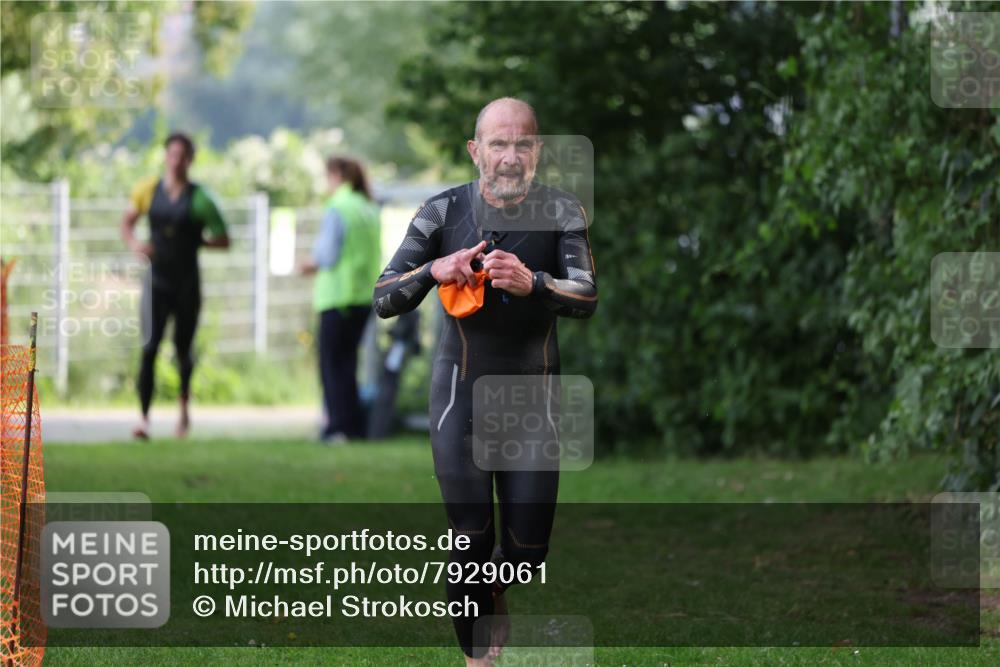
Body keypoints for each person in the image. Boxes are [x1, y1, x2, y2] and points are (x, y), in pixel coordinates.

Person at [372, 98, 597, 665]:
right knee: (468, 539)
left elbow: (586, 295)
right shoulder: (441, 212)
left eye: (522, 143)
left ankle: (493, 587)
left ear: (537, 151)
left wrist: (535, 282)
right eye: (498, 143)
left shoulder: (563, 211)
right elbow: (382, 296)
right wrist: (433, 270)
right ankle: (477, 658)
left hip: (535, 401)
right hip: (460, 397)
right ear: (476, 151)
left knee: (526, 555)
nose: (510, 156)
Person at [120, 132, 230, 440]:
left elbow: (224, 239)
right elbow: (127, 221)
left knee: (183, 350)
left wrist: (201, 241)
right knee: (149, 348)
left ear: (190, 160)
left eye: (183, 156)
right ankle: (143, 419)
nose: (177, 161)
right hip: (156, 282)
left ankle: (183, 412)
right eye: (172, 154)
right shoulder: (148, 189)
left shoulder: (201, 199)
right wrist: (135, 244)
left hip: (187, 284)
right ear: (166, 156)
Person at [301, 157, 382, 443]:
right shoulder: (369, 208)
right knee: (348, 365)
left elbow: (326, 254)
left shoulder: (339, 207)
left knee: (332, 365)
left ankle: (337, 427)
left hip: (337, 297)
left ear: (336, 175)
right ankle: (353, 426)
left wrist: (306, 265)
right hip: (363, 297)